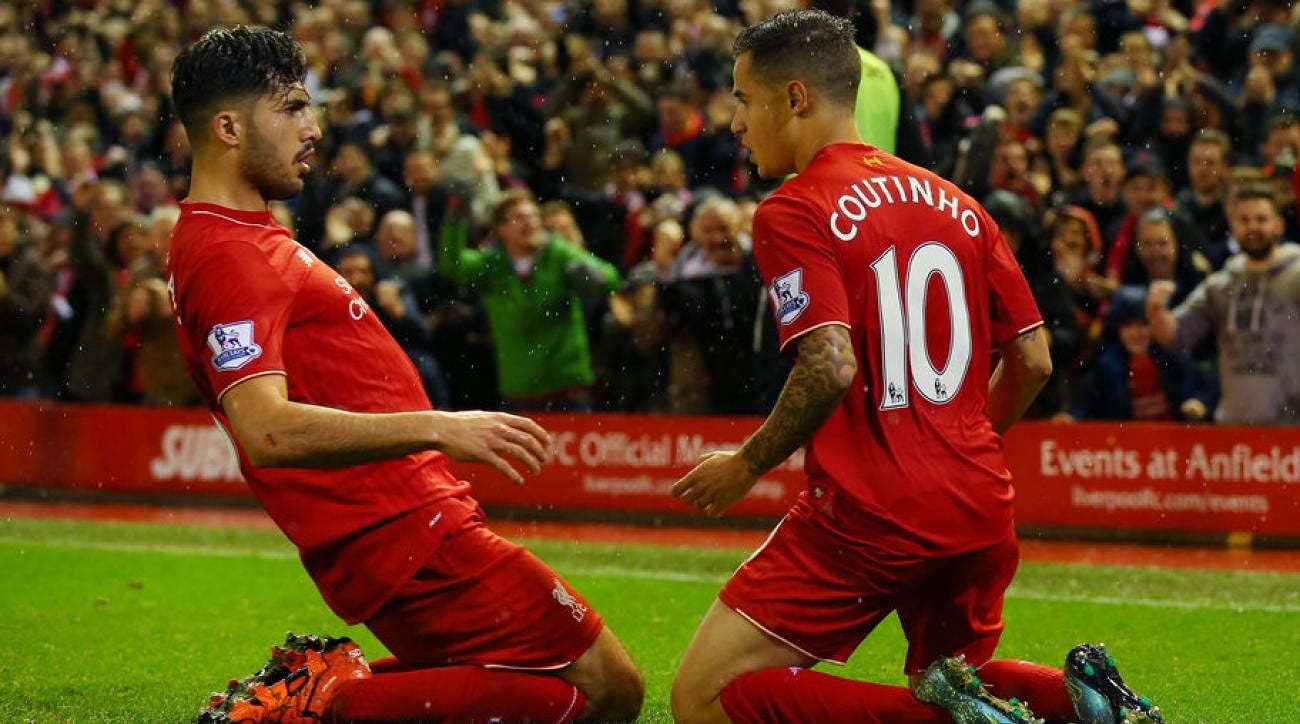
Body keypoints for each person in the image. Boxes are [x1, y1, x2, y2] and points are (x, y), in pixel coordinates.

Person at [669, 11, 1162, 724]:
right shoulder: (959, 204)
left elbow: (829, 366)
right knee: (955, 677)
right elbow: (1032, 359)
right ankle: (1083, 699)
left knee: (703, 698)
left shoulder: (794, 208)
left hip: (868, 516)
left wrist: (746, 464)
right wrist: (958, 447)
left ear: (795, 98)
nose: (736, 122)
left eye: (744, 99)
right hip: (977, 503)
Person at [166, 26, 642, 723]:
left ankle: (326, 694)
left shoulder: (234, 237)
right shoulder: (229, 254)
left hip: (406, 526)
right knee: (610, 690)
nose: (314, 128)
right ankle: (326, 705)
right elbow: (264, 429)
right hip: (405, 531)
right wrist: (438, 427)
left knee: (557, 688)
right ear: (229, 128)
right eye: (292, 108)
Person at [438, 189, 621, 412]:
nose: (529, 222)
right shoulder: (491, 265)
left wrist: (596, 276)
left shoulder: (559, 253)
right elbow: (451, 266)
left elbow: (611, 279)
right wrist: (454, 221)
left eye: (533, 215)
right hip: (518, 390)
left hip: (567, 388)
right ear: (501, 229)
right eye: (519, 217)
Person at [1148, 184, 1300, 425]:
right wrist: (1156, 311)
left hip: (1291, 429)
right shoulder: (1221, 285)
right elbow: (1175, 334)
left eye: (1261, 219)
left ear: (1279, 225)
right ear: (1233, 226)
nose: (1252, 227)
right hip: (1232, 427)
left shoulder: (1296, 276)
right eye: (1244, 220)